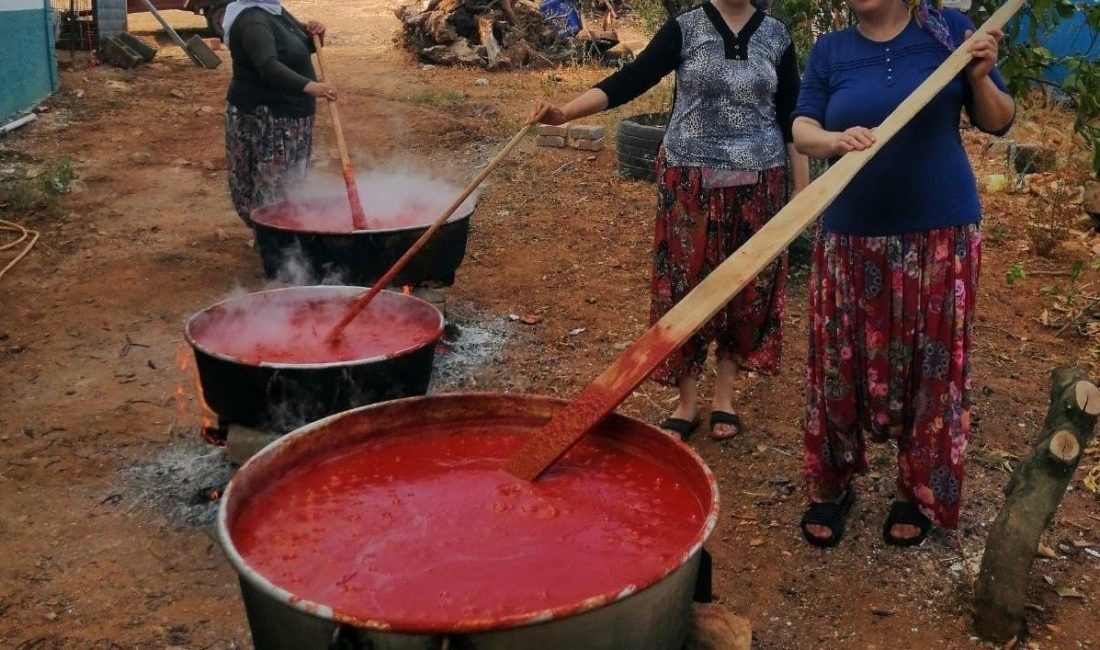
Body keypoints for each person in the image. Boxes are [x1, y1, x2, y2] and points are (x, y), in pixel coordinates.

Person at [529, 0, 809, 440]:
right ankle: (687, 399)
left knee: (746, 288)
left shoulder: (776, 34)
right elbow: (630, 81)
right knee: (684, 284)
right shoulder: (686, 28)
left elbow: (792, 116)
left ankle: (724, 396)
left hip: (760, 184)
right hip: (689, 183)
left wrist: (803, 195)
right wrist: (564, 113)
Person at [793, 0, 1014, 547]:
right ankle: (833, 483)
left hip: (940, 233)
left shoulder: (951, 32)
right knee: (837, 365)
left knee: (931, 369)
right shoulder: (830, 50)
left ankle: (914, 493)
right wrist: (833, 142)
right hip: (849, 234)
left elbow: (999, 120)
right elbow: (802, 127)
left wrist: (980, 78)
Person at [222, 0, 336, 226]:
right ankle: (271, 235)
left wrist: (316, 34)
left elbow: (297, 48)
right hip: (270, 117)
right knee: (271, 184)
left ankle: (279, 232)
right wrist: (313, 87)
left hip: (288, 114)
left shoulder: (274, 11)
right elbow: (268, 67)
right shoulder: (253, 20)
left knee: (286, 182)